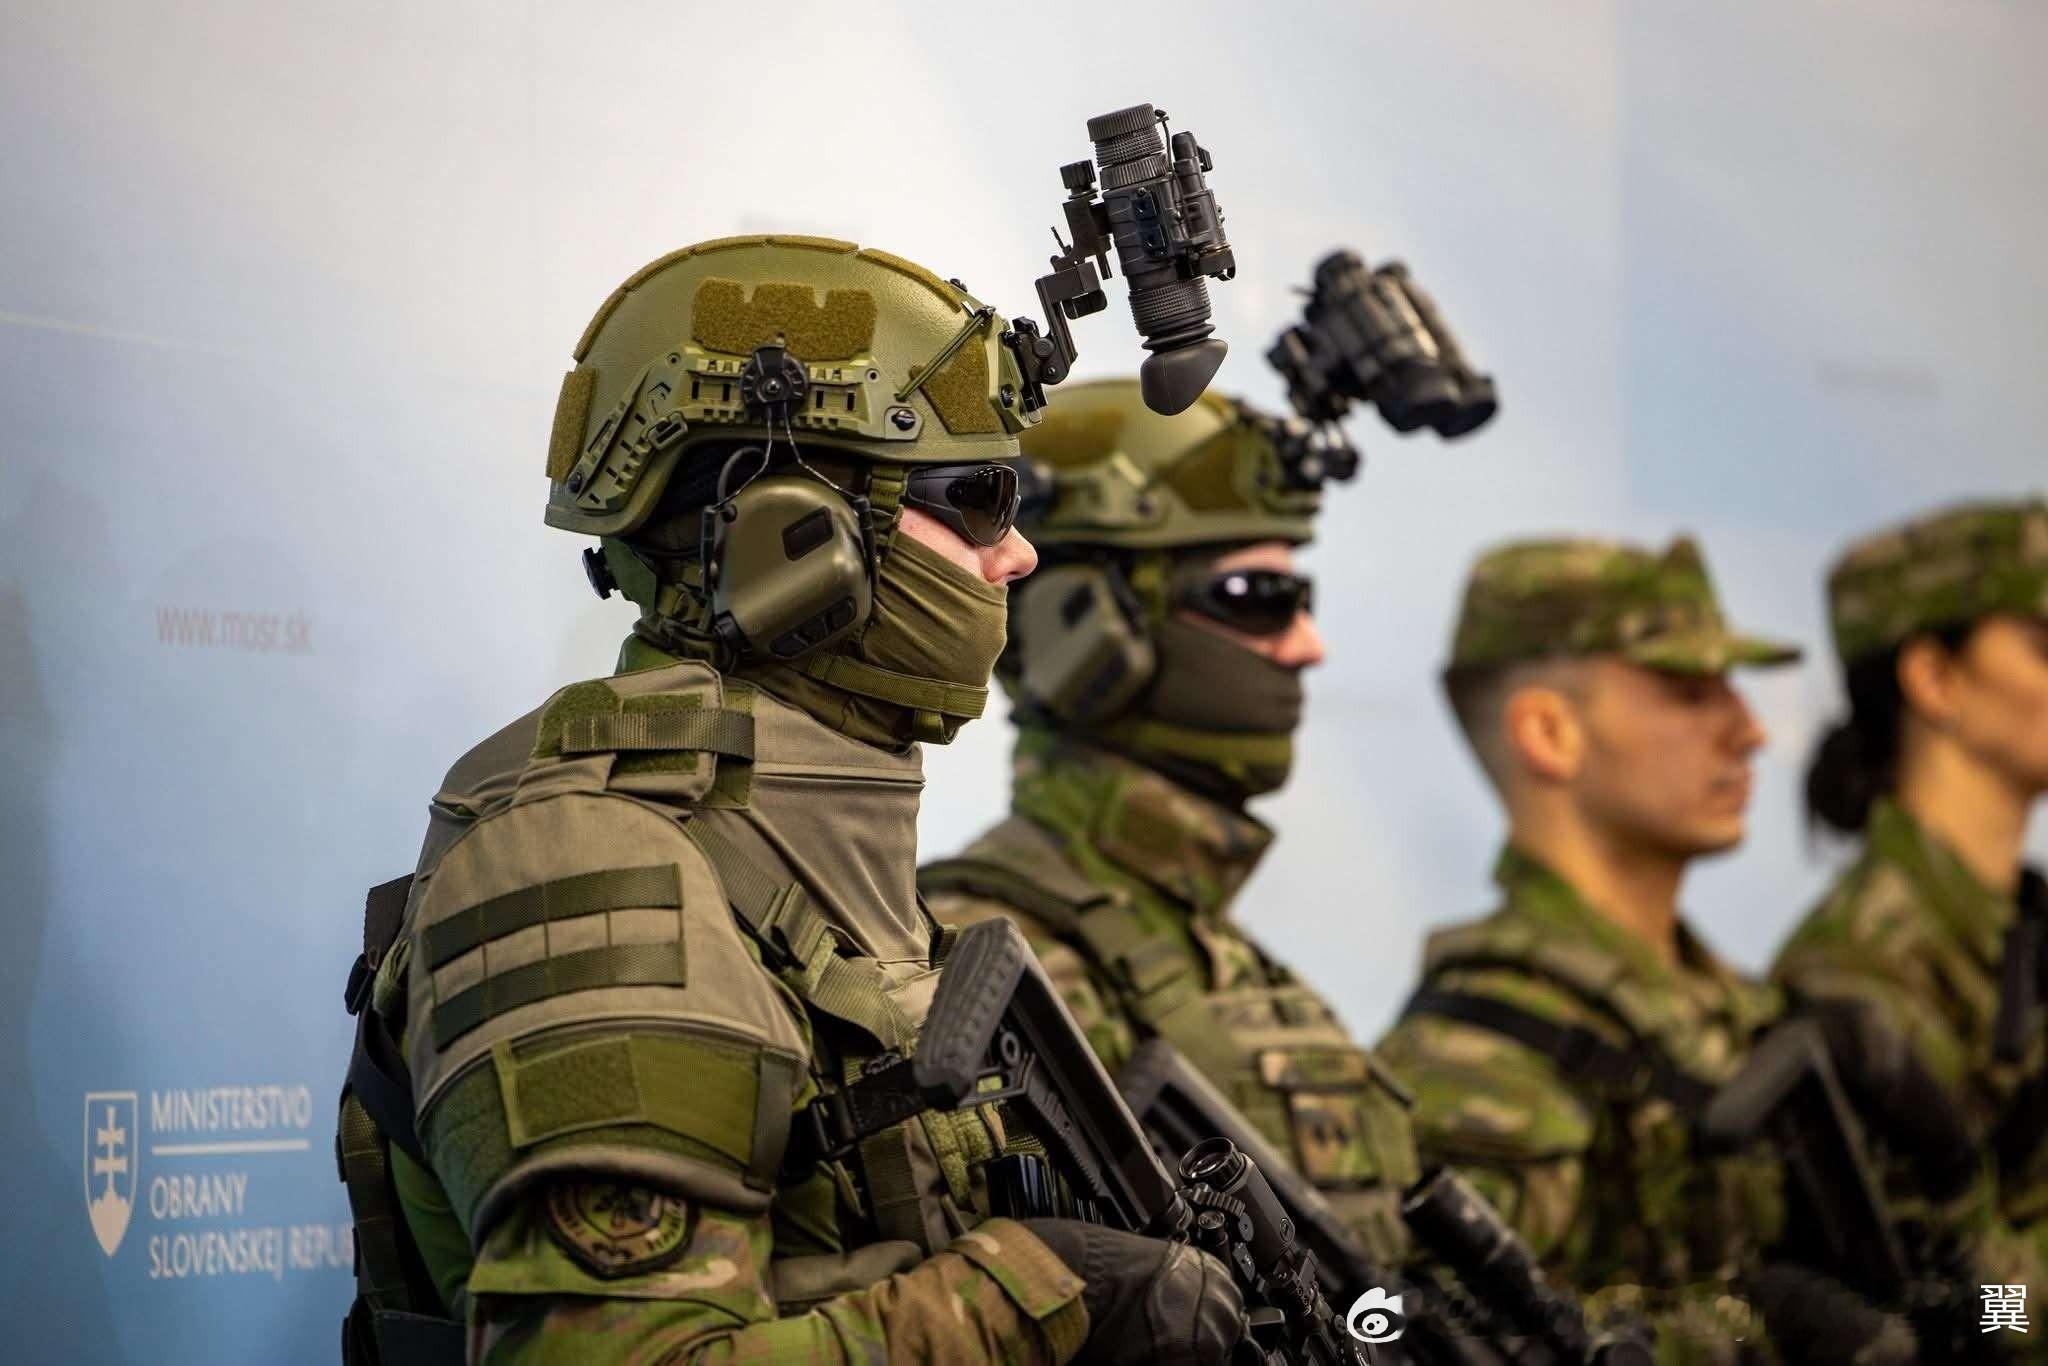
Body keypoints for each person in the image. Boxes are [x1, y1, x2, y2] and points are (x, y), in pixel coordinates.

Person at [334, 236, 1245, 1366]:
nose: (1015, 555)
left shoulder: (780, 834)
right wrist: (1037, 1296)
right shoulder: (593, 866)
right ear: (792, 539)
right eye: (978, 499)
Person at [1372, 535, 1915, 1363]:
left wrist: (1990, 1309)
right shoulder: (1482, 1059)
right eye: (1690, 692)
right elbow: (1420, 1341)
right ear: (1549, 732)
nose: (1749, 731)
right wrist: (1745, 1334)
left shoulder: (1752, 1016)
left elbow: (1984, 1309)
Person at [921, 378, 1427, 1266]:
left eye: (1301, 597)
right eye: (1254, 594)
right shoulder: (993, 966)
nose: (1308, 646)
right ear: (1087, 632)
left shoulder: (1219, 954)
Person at [1771, 498, 2048, 1333]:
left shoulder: (2015, 928)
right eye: (2043, 649)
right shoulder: (1860, 970)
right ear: (1934, 678)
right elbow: (1969, 1315)